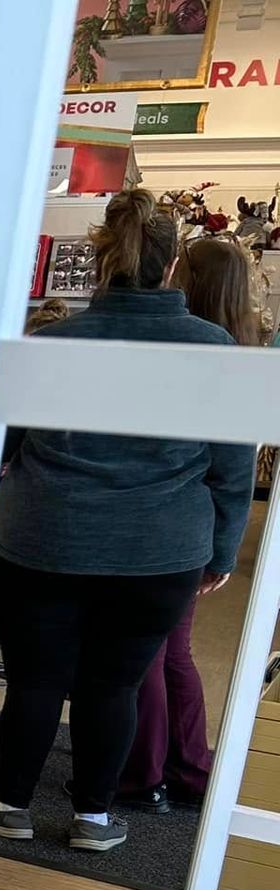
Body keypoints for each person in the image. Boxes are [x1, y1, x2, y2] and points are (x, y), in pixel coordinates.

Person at [0, 191, 256, 854]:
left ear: (101, 263)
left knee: (36, 678)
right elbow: (232, 468)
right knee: (113, 684)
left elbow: (0, 449)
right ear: (171, 269)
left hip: (44, 536)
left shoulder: (54, 342)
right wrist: (223, 550)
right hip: (160, 547)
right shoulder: (214, 347)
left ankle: (10, 804)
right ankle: (91, 818)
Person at [117, 236, 261, 812]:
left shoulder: (186, 346)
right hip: (196, 525)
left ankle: (143, 773)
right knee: (173, 650)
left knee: (147, 654)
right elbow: (235, 467)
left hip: (160, 523)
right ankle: (189, 767)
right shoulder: (243, 348)